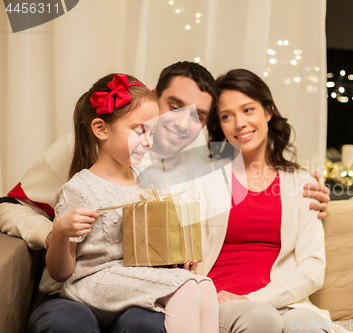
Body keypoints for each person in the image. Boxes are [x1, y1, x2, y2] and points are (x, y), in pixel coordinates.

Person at [0, 61, 331, 332]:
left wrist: (309, 190)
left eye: (199, 116)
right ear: (153, 97)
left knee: (149, 322)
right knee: (67, 322)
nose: (182, 123)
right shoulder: (88, 141)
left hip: (144, 293)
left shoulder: (197, 163)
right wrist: (59, 234)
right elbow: (11, 208)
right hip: (74, 284)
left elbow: (253, 187)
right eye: (174, 106)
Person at [45, 73, 218, 333]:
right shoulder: (79, 189)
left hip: (132, 277)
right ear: (101, 129)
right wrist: (60, 232)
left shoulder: (146, 182)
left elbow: (149, 248)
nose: (148, 141)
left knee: (203, 285)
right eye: (139, 131)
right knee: (183, 288)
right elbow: (61, 273)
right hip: (92, 283)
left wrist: (177, 256)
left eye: (152, 131)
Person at [202, 68, 332, 333]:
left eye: (248, 110)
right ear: (220, 126)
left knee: (308, 327)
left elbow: (313, 268)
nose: (239, 123)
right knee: (261, 319)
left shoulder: (302, 183)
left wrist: (255, 298)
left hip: (281, 301)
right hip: (219, 301)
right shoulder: (205, 181)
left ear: (268, 111)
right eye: (227, 116)